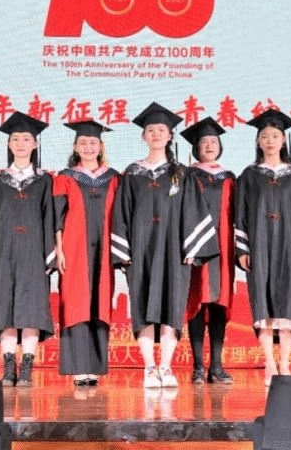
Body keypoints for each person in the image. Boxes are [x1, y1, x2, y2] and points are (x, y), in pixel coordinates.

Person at [109, 102, 217, 389]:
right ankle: (149, 368)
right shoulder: (132, 174)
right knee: (142, 304)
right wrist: (123, 252)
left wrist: (192, 249)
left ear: (170, 136)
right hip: (140, 249)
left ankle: (166, 367)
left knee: (172, 305)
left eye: (161, 130)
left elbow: (194, 210)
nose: (156, 134)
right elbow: (122, 213)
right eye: (150, 130)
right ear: (143, 136)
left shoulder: (182, 174)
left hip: (174, 250)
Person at [234, 110, 291, 386]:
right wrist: (242, 249)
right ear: (258, 141)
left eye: (275, 136)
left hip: (289, 246)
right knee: (262, 302)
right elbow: (240, 214)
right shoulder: (248, 176)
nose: (270, 141)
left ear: (283, 140)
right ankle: (269, 364)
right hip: (259, 245)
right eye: (265, 136)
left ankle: (284, 362)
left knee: (288, 303)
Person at [0, 111, 56, 387]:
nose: (21, 144)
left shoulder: (45, 181)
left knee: (32, 309)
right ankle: (9, 366)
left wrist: (49, 253)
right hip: (4, 252)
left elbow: (50, 218)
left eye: (26, 139)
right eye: (15, 139)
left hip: (34, 252)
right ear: (8, 144)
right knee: (6, 308)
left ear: (35, 144)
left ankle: (27, 367)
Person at [53, 120, 119, 387]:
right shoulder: (65, 177)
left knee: (100, 302)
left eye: (93, 143)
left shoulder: (113, 178)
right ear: (75, 147)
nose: (88, 147)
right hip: (74, 247)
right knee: (76, 303)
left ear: (100, 146)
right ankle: (79, 368)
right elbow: (57, 218)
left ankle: (95, 367)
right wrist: (59, 249)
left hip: (105, 249)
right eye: (83, 143)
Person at [181, 117, 237, 385]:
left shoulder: (230, 178)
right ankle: (197, 366)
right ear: (196, 147)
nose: (210, 145)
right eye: (204, 142)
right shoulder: (187, 176)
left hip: (223, 247)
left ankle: (216, 365)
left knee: (218, 305)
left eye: (214, 141)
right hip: (195, 247)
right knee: (196, 304)